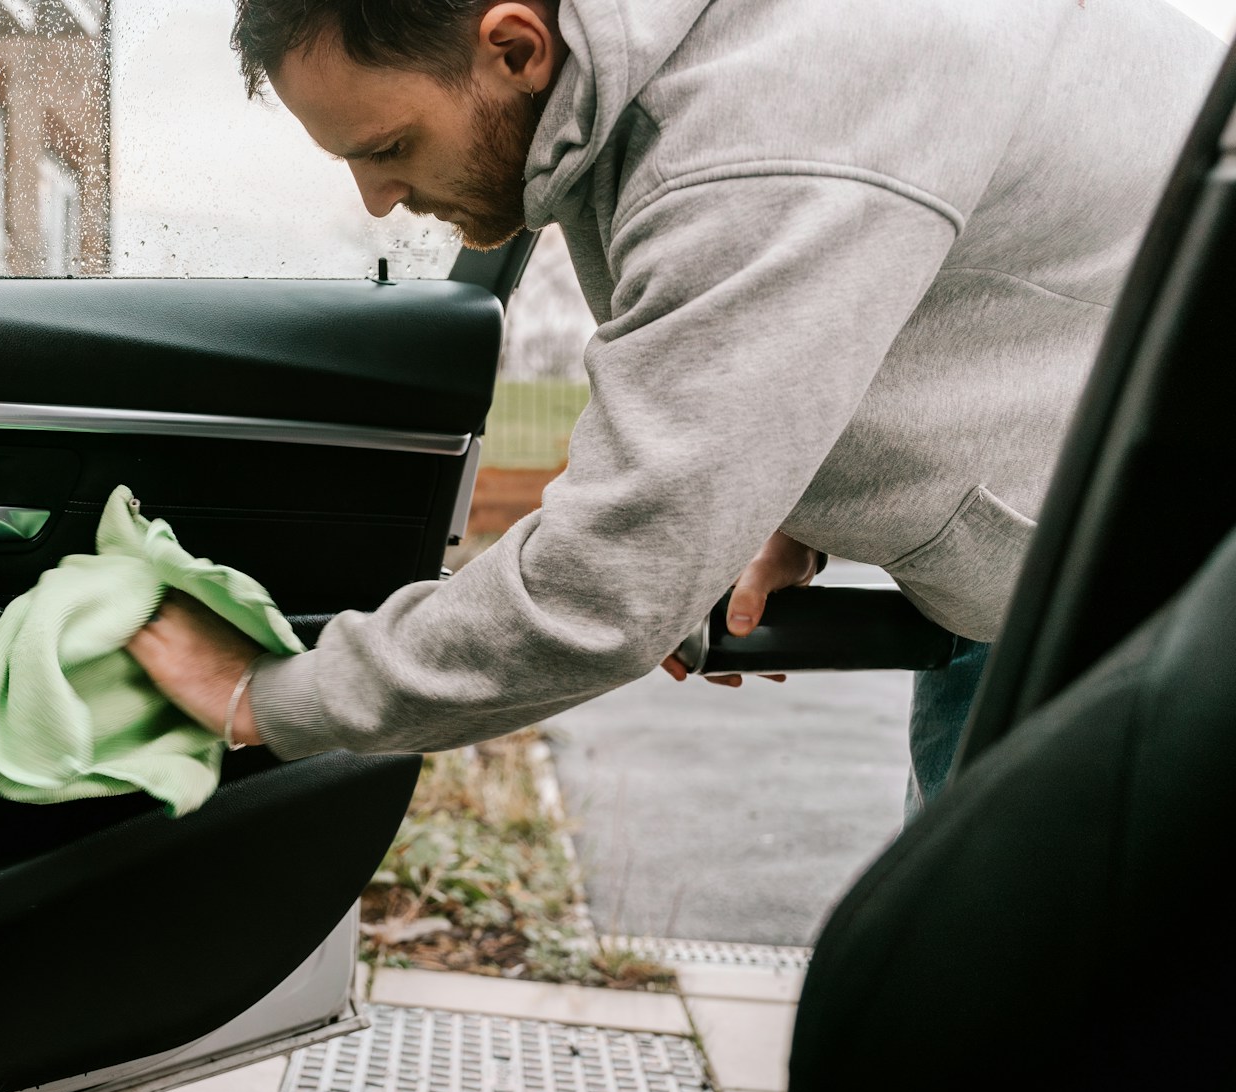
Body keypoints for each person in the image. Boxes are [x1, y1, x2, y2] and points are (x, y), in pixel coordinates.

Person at [127, 0, 1223, 813]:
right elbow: (974, 290)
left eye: (389, 147)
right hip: (1071, 565)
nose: (376, 200)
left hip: (1176, 598)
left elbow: (604, 587)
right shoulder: (688, 68)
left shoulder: (769, 119)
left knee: (1029, 1016)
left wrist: (264, 696)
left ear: (516, 48)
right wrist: (780, 477)